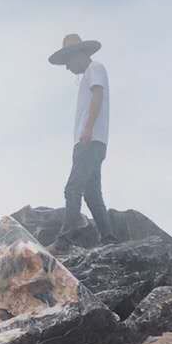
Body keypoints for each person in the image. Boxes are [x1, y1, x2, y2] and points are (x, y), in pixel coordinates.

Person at [48, 32, 111, 239]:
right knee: (92, 194)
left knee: (73, 189)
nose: (67, 67)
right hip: (93, 141)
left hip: (89, 141)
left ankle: (65, 240)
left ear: (77, 54)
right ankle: (109, 238)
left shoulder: (95, 68)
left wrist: (88, 129)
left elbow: (98, 95)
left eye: (67, 61)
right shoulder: (90, 73)